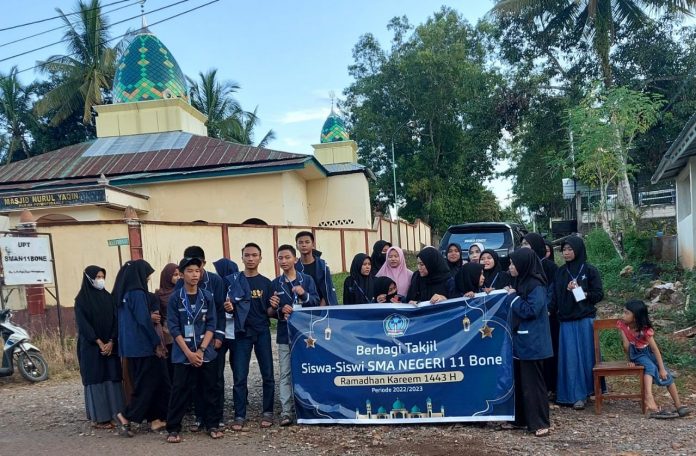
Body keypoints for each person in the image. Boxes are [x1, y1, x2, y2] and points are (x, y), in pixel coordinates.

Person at [165, 257, 222, 443]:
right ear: (182, 274)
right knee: (179, 390)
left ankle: (212, 425)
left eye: (197, 270)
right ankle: (173, 429)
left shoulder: (207, 296)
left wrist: (202, 350)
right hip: (183, 354)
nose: (194, 274)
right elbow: (174, 328)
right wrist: (189, 354)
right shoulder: (175, 297)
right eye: (189, 271)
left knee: (210, 389)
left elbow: (212, 324)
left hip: (205, 352)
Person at [113, 260, 169, 438]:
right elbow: (143, 321)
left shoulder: (123, 293)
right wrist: (156, 343)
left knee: (148, 383)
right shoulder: (137, 293)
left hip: (130, 347)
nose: (148, 279)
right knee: (149, 384)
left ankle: (154, 420)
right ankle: (126, 415)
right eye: (147, 275)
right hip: (143, 346)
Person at [269, 245, 320, 426]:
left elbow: (315, 302)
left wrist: (303, 294)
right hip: (285, 335)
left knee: (308, 370)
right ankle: (286, 412)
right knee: (285, 373)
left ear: (295, 259)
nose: (283, 261)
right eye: (280, 258)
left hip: (307, 336)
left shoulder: (306, 280)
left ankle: (310, 408)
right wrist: (279, 309)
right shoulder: (275, 284)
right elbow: (270, 311)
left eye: (287, 257)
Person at [551, 236, 604, 410]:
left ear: (578, 250)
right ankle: (575, 395)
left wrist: (582, 292)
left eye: (570, 249)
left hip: (585, 319)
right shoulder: (560, 272)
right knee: (571, 359)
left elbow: (598, 295)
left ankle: (593, 389)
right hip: (567, 321)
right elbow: (555, 297)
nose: (566, 253)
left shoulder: (589, 270)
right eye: (564, 250)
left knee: (588, 356)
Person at [177, 246, 225, 432]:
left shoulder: (215, 281)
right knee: (195, 380)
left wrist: (219, 335)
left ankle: (216, 418)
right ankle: (199, 416)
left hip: (212, 337)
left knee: (215, 379)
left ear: (203, 263)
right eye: (189, 267)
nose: (193, 271)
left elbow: (220, 310)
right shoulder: (182, 282)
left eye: (197, 266)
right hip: (190, 340)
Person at [506, 248, 552, 437]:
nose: (510, 267)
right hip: (521, 342)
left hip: (533, 343)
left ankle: (540, 422)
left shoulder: (536, 285)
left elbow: (531, 310)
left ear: (523, 264)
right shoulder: (522, 282)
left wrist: (513, 297)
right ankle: (521, 419)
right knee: (521, 383)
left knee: (534, 385)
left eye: (513, 263)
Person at [618, 300, 690, 418]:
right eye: (623, 312)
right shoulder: (622, 325)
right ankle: (649, 399)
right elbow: (626, 346)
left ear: (635, 317)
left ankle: (679, 406)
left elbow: (655, 350)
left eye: (626, 313)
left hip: (649, 352)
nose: (623, 315)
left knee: (667, 375)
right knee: (650, 367)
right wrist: (630, 360)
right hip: (636, 353)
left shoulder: (645, 330)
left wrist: (662, 369)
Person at [74, 265, 124, 429]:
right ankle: (100, 418)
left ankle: (117, 414)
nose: (100, 280)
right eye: (97, 277)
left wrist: (111, 341)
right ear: (88, 279)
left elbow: (116, 320)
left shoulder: (108, 297)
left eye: (102, 276)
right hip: (91, 347)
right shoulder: (81, 300)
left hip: (111, 346)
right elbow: (84, 325)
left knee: (112, 377)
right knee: (97, 379)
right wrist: (99, 342)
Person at [234, 243, 275, 429]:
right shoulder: (235, 281)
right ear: (241, 257)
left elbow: (269, 311)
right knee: (240, 377)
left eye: (254, 255)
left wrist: (274, 306)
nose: (250, 258)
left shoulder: (267, 283)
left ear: (260, 258)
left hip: (262, 332)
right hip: (242, 334)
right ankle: (239, 415)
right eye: (247, 255)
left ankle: (268, 412)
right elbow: (229, 307)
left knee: (268, 374)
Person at [522, 233, 560, 399]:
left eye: (527, 244)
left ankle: (552, 387)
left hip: (548, 316)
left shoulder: (549, 267)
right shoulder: (524, 265)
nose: (524, 247)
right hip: (531, 317)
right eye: (522, 243)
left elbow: (553, 289)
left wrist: (549, 307)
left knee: (550, 353)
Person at [217, 258, 251, 431]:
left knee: (239, 374)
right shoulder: (217, 286)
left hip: (238, 335)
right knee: (217, 375)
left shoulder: (240, 284)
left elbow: (246, 304)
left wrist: (233, 308)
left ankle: (240, 412)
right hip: (220, 336)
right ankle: (218, 413)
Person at [295, 231, 338, 306]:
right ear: (296, 246)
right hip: (302, 308)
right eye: (300, 242)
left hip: (322, 307)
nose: (304, 245)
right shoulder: (295, 267)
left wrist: (320, 309)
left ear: (313, 244)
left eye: (307, 242)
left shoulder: (322, 266)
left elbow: (327, 289)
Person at [154, 263, 179, 380]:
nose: (178, 277)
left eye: (179, 274)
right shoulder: (159, 294)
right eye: (175, 275)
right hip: (167, 333)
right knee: (171, 366)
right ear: (167, 276)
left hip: (183, 331)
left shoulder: (183, 291)